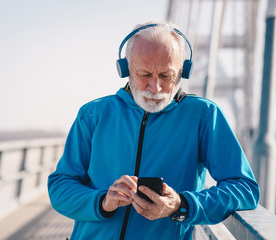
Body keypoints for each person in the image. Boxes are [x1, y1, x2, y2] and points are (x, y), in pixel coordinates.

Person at [48, 21, 260, 240]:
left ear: (183, 71)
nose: (155, 88)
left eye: (166, 76)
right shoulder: (92, 114)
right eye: (145, 74)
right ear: (125, 69)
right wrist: (102, 202)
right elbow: (60, 186)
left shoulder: (205, 116)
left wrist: (181, 205)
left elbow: (244, 189)